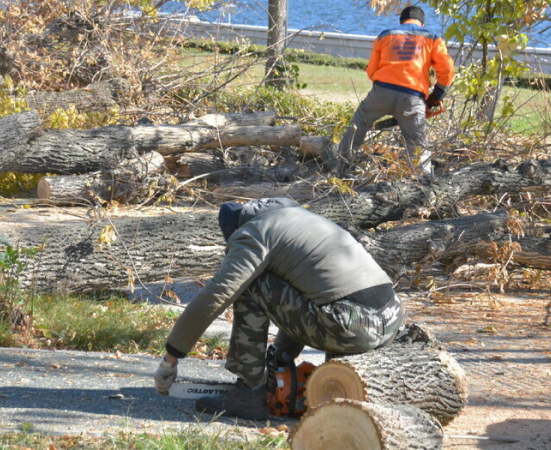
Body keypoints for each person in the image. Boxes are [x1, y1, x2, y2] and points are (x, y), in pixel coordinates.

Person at [153, 198, 405, 420]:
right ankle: (332, 378)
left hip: (348, 327)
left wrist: (171, 357)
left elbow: (216, 295)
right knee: (300, 289)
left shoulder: (253, 233)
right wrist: (280, 355)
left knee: (249, 285)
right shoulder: (300, 219)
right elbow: (301, 296)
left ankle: (248, 395)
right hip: (391, 320)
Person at [326, 5, 455, 177]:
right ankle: (424, 183)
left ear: (401, 21)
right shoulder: (432, 38)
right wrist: (437, 94)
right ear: (422, 24)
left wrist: (384, 85)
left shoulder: (386, 35)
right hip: (413, 97)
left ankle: (340, 168)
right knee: (417, 144)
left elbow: (372, 70)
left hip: (382, 92)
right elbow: (447, 69)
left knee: (359, 123)